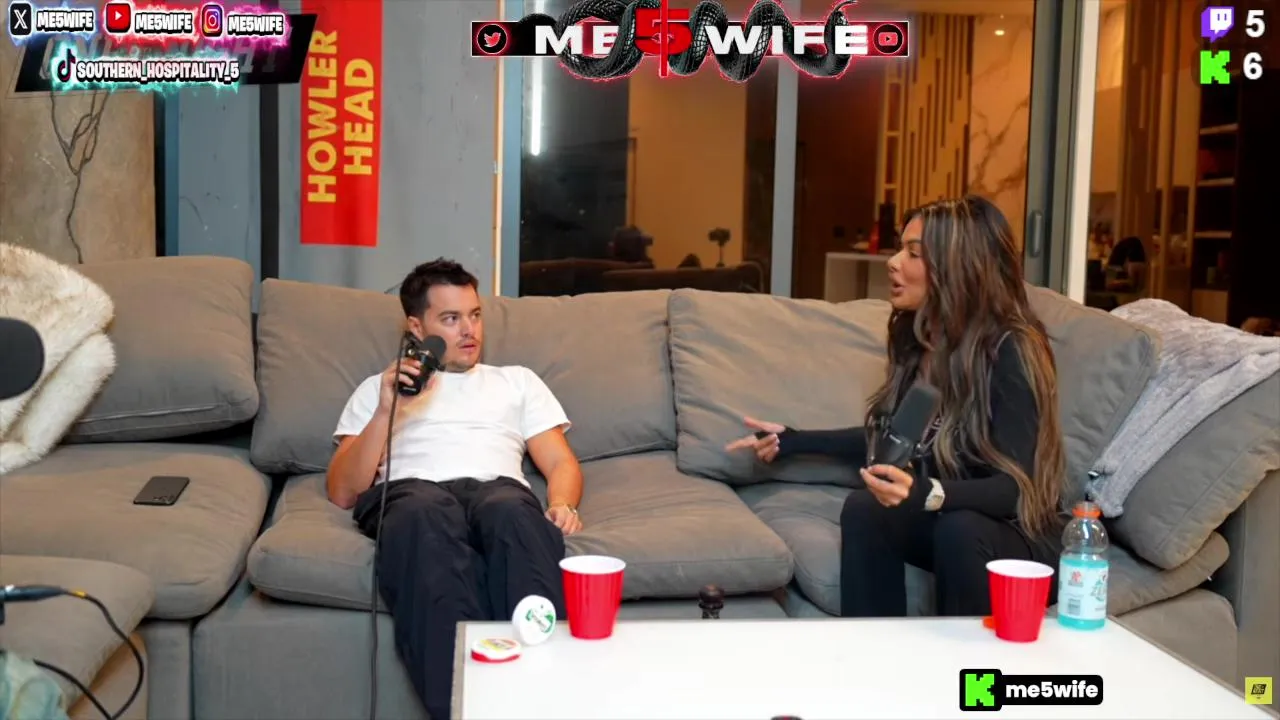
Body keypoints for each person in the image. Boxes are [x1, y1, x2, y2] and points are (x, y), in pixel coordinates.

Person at [727, 195, 1067, 618]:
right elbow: (895, 440)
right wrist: (793, 441)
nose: (892, 263)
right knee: (866, 508)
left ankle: (968, 662)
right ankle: (874, 651)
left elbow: (1015, 490)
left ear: (957, 266)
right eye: (899, 249)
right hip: (953, 519)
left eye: (913, 253)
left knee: (960, 529)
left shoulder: (1011, 348)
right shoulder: (921, 339)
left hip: (1021, 538)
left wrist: (926, 493)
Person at [326, 258, 584, 719]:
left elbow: (561, 461)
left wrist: (562, 502)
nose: (469, 330)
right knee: (425, 518)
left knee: (512, 514)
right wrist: (386, 410)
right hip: (412, 493)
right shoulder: (378, 389)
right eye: (450, 318)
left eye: (475, 315)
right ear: (416, 326)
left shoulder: (517, 381)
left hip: (497, 491)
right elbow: (344, 491)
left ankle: (544, 705)